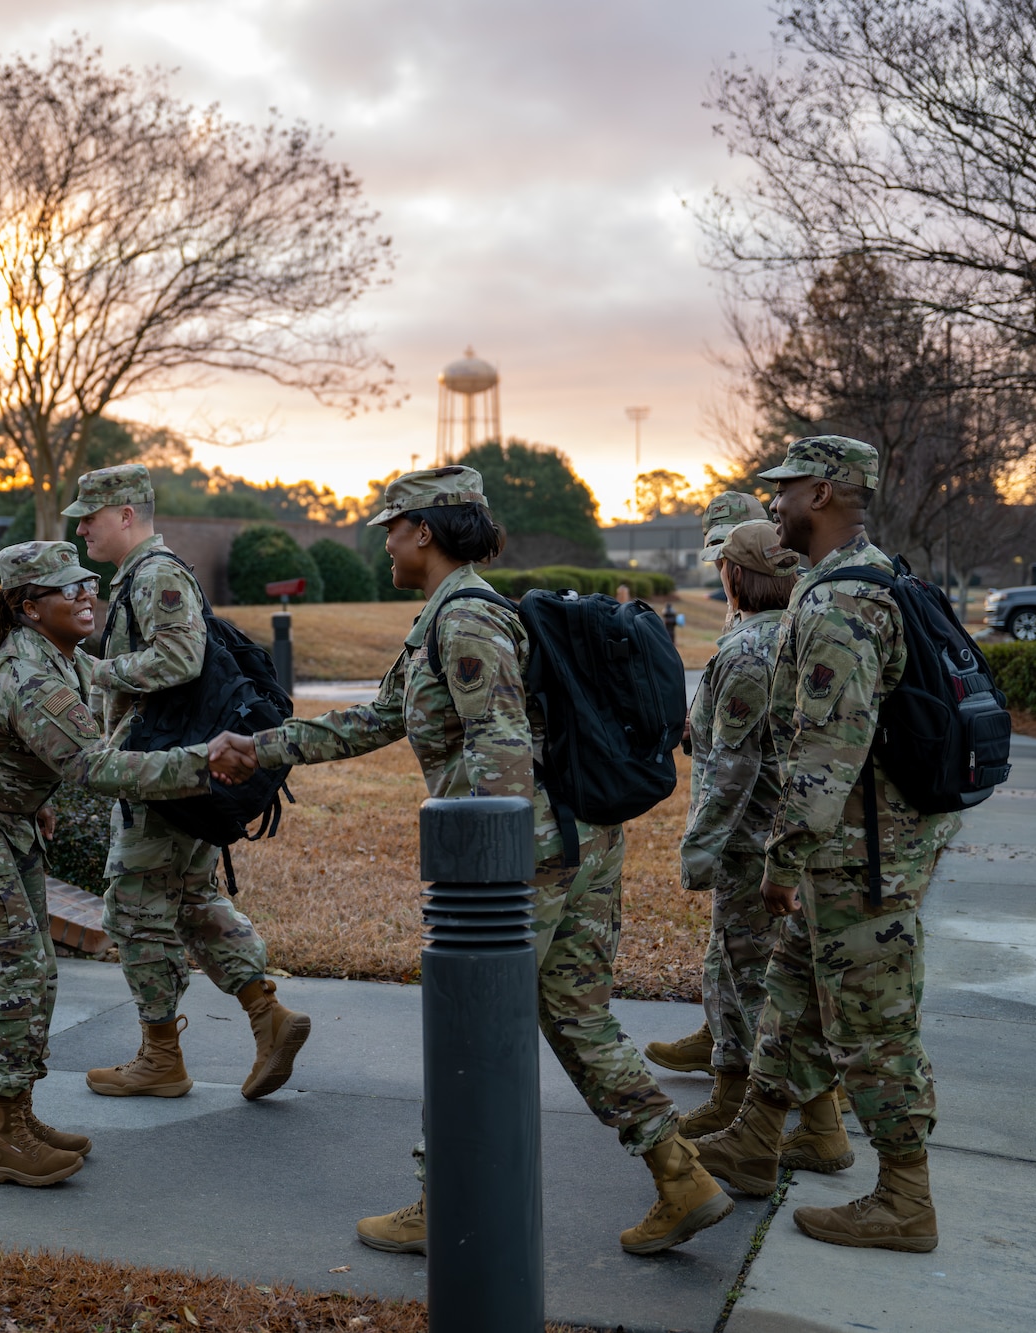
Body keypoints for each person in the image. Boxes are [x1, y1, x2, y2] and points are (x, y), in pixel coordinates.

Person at [210, 466, 731, 1259]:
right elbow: (377, 719)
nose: (382, 539)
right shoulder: (449, 616)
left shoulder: (466, 621)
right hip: (575, 840)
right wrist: (264, 749)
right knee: (576, 1015)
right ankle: (680, 1173)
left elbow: (502, 748)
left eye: (392, 525)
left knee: (468, 1024)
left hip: (526, 858)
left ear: (425, 530)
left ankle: (441, 1199)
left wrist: (491, 876)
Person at [693, 436, 958, 1253]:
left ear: (824, 491)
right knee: (796, 995)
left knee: (874, 1026)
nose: (771, 504)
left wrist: (783, 859)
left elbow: (826, 751)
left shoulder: (843, 600)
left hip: (858, 857)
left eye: (784, 490)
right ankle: (753, 1138)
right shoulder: (859, 577)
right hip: (851, 849)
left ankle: (906, 1196)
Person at [0, 540, 214, 1188]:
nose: (85, 595)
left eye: (87, 583)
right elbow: (96, 767)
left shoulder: (64, 659)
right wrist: (207, 762)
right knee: (16, 965)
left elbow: (31, 749)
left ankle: (19, 1114)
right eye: (68, 590)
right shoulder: (28, 675)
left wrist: (30, 798)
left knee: (37, 966)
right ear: (31, 608)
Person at [66, 464, 311, 1103]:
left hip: (163, 771)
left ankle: (161, 1057)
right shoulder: (140, 578)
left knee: (133, 909)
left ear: (127, 514)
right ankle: (269, 1016)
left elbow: (180, 658)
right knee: (193, 902)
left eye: (91, 514)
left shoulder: (156, 575)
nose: (82, 525)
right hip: (175, 764)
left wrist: (99, 671)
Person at [668, 522, 822, 1153]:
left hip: (747, 844)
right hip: (769, 835)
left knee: (761, 985)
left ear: (736, 575)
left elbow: (734, 767)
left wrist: (698, 848)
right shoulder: (787, 635)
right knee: (740, 973)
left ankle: (818, 1124)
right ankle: (732, 1100)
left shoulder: (748, 650)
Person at [647, 490, 781, 1076]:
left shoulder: (756, 640)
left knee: (752, 958)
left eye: (724, 559)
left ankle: (746, 1083)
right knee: (733, 947)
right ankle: (719, 1034)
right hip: (752, 823)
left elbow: (739, 761)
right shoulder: (754, 623)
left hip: (750, 828)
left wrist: (700, 847)